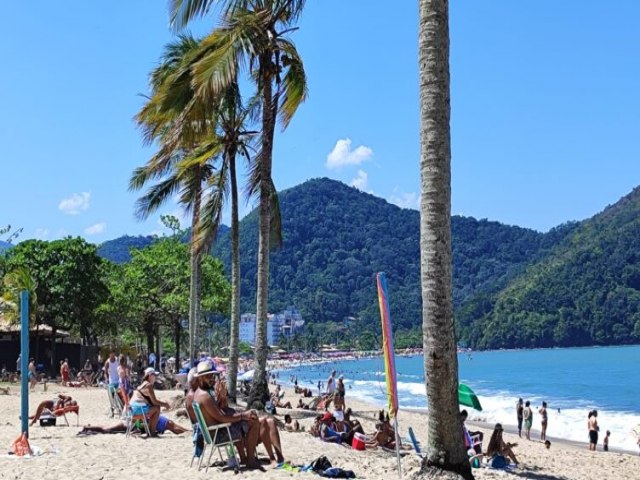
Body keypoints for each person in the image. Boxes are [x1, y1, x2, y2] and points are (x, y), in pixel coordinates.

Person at [193, 360, 261, 468]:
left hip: (212, 433)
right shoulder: (205, 396)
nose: (212, 379)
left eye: (212, 376)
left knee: (238, 419)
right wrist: (243, 416)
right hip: (218, 435)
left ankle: (244, 459)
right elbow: (222, 418)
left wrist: (221, 399)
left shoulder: (198, 393)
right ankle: (250, 460)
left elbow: (216, 413)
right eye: (208, 376)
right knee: (253, 421)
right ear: (200, 378)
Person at [129, 367, 169, 436]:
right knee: (157, 408)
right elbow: (154, 402)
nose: (156, 377)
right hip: (137, 410)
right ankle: (151, 432)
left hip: (131, 410)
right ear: (150, 375)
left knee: (154, 407)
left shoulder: (142, 384)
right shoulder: (148, 385)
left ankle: (150, 431)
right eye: (154, 375)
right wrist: (165, 404)